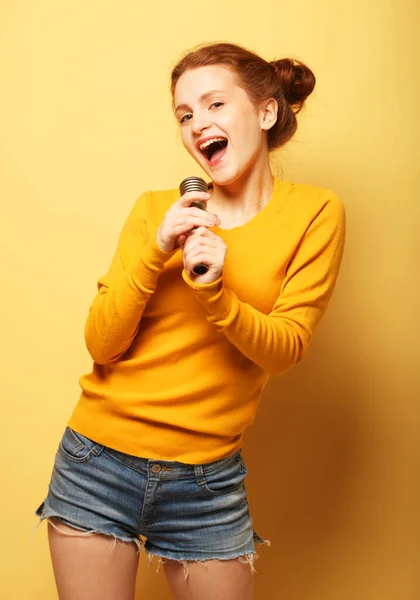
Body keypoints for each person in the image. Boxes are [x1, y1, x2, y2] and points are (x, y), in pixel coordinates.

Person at [34, 42, 346, 600]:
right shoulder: (156, 210)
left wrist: (216, 296)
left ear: (266, 112)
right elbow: (101, 345)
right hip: (97, 461)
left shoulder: (315, 213)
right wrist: (157, 252)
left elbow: (285, 350)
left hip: (207, 479)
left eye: (214, 105)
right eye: (185, 115)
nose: (198, 124)